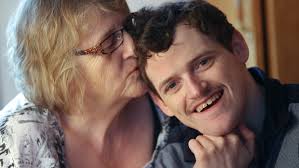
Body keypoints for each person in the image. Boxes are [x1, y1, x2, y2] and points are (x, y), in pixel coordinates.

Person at [126, 0, 299, 167]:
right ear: (162, 104)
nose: (195, 90)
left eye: (202, 63)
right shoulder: (169, 161)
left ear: (238, 47)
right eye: (172, 85)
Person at [0, 0, 160, 167]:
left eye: (129, 27)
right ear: (62, 70)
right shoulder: (17, 140)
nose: (134, 48)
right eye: (110, 41)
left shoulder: (169, 92)